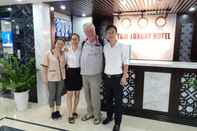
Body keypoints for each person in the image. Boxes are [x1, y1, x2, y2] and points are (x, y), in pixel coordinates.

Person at [102, 25, 129, 131]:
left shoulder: (122, 46)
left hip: (118, 79)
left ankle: (117, 123)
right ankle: (109, 117)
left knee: (118, 102)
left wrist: (124, 76)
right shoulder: (105, 47)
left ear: (116, 33)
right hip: (107, 78)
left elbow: (126, 63)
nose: (110, 34)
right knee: (108, 100)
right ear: (106, 35)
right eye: (108, 32)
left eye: (112, 32)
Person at [80, 22, 103, 125]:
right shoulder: (83, 42)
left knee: (95, 96)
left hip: (95, 74)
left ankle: (97, 115)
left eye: (91, 30)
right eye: (87, 31)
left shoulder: (101, 41)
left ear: (94, 30)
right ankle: (90, 113)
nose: (89, 33)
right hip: (84, 74)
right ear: (84, 32)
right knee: (87, 96)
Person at [41, 38, 66, 120]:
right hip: (51, 78)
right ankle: (52, 112)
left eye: (62, 44)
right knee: (52, 95)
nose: (60, 45)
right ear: (55, 43)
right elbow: (44, 67)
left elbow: (64, 65)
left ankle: (58, 111)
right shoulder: (48, 53)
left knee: (59, 95)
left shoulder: (63, 54)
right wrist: (45, 79)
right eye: (58, 43)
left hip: (61, 78)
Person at [64, 33, 82, 124]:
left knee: (77, 94)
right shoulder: (66, 50)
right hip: (70, 72)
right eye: (72, 39)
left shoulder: (81, 49)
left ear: (78, 40)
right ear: (70, 40)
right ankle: (70, 114)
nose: (74, 41)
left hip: (79, 72)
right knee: (69, 94)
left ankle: (74, 111)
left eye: (76, 39)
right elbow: (64, 62)